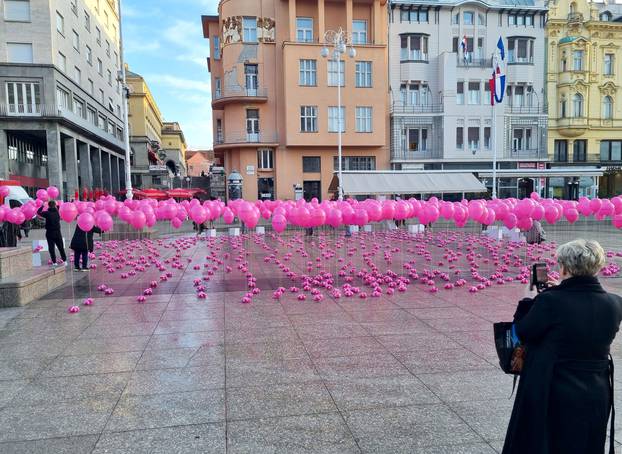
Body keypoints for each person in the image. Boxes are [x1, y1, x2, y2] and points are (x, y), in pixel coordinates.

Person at [503, 239, 622, 454]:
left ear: (565, 267)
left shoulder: (550, 302)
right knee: (586, 442)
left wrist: (527, 301)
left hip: (553, 387)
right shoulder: (615, 303)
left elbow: (522, 332)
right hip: (597, 389)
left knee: (549, 442)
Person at [37, 200, 67, 266]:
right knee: (61, 247)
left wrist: (42, 206)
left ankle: (54, 262)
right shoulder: (58, 212)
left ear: (49, 205)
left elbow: (38, 212)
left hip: (49, 233)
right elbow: (59, 207)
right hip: (57, 232)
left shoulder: (47, 213)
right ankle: (64, 260)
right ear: (55, 205)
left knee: (51, 248)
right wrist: (58, 205)